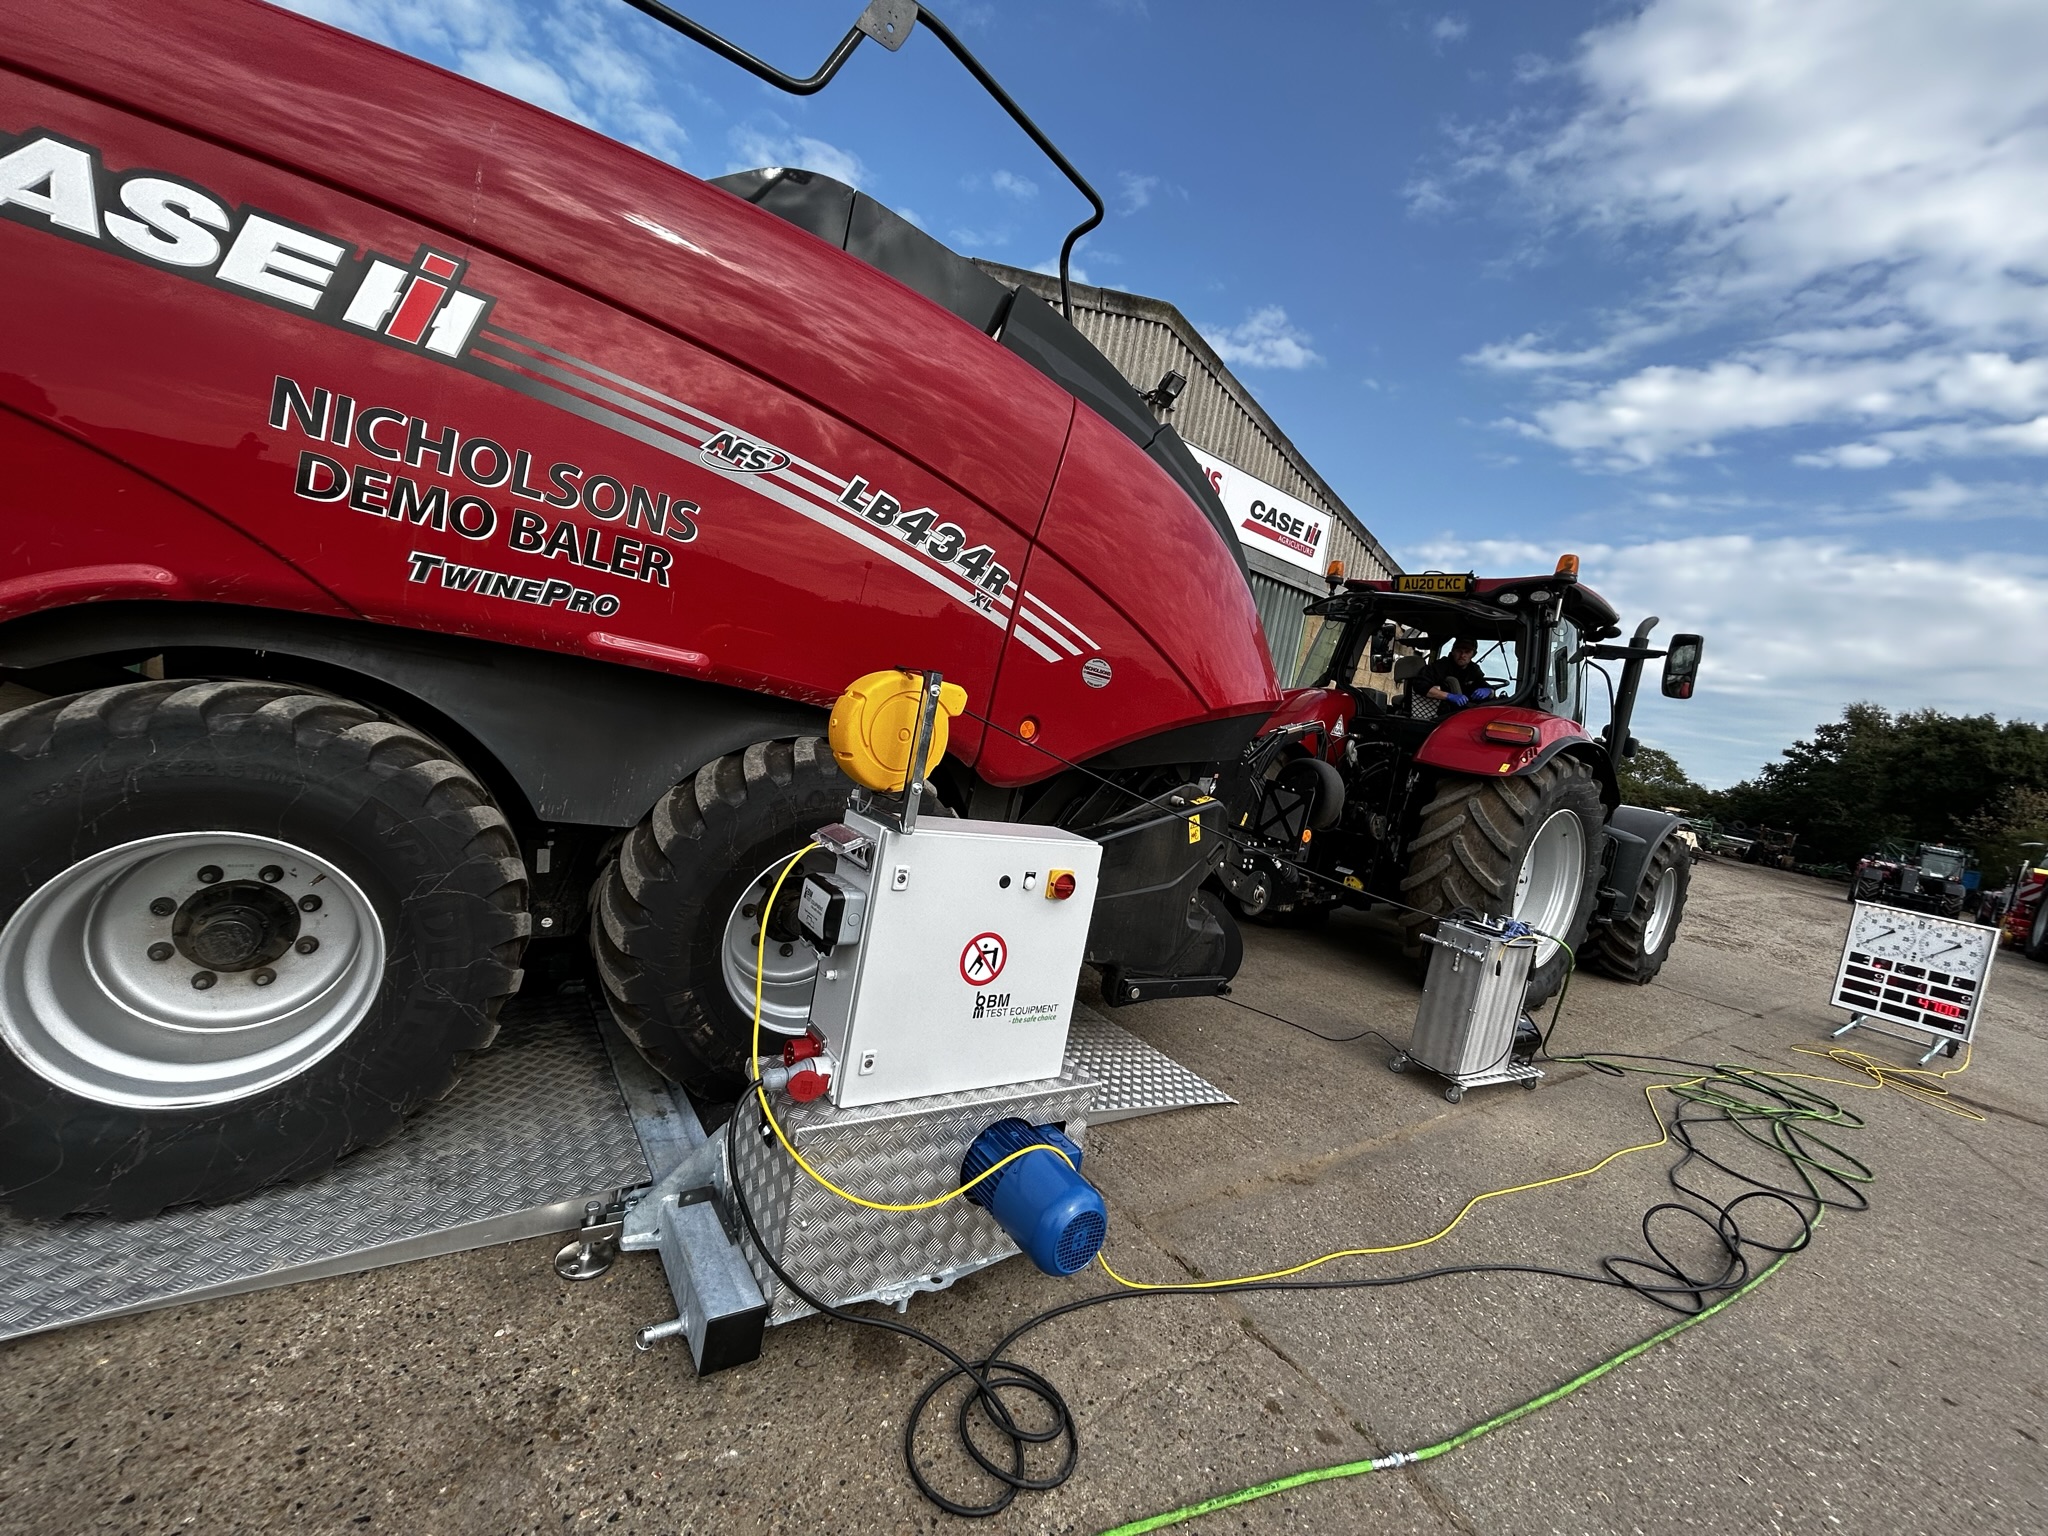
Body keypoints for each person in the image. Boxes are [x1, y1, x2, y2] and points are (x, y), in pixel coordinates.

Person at [1418, 638, 1493, 708]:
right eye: (1459, 651)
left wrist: (1488, 690)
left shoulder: (1473, 669)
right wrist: (1449, 696)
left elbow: (1483, 684)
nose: (1462, 655)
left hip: (1467, 710)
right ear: (1453, 651)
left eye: (1467, 652)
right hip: (1439, 711)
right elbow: (1421, 686)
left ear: (1473, 654)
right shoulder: (1441, 665)